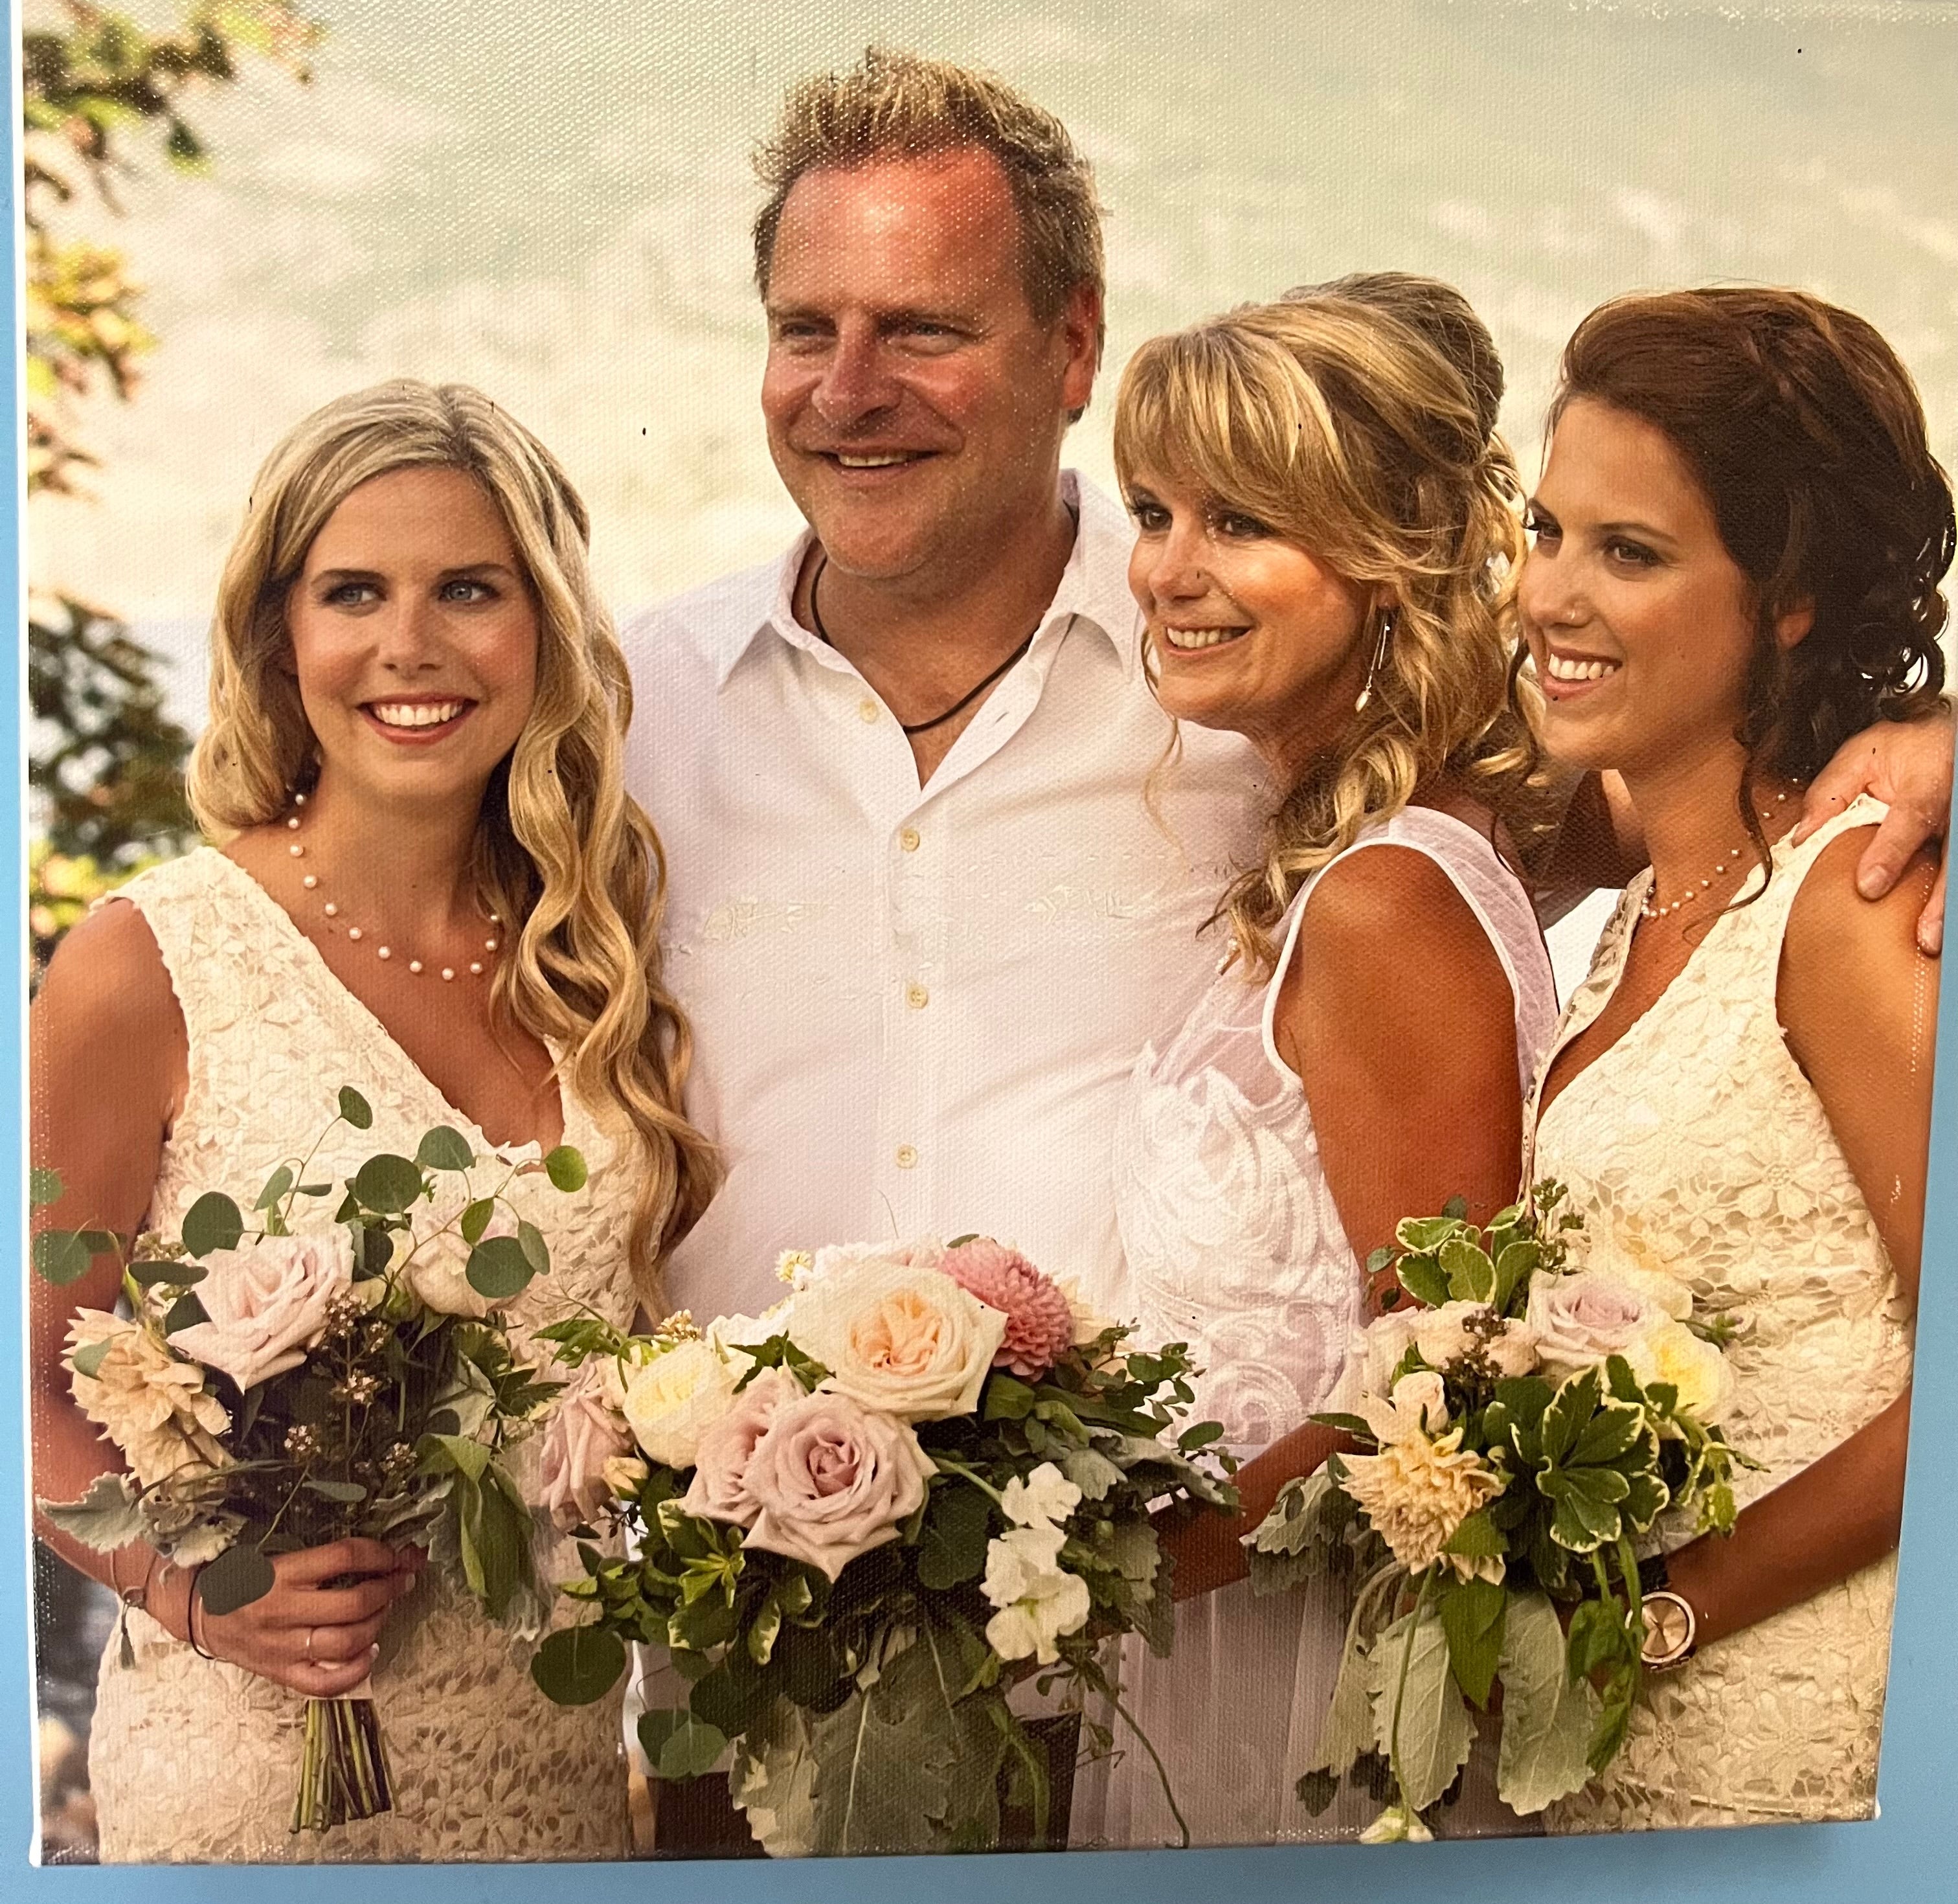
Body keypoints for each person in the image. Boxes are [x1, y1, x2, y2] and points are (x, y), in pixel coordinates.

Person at [619, 45, 1953, 1847]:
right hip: (775, 1684)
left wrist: (1925, 724)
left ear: (1067, 346)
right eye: (806, 325)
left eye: (924, 329)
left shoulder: (1324, 787)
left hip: (1202, 1680)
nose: (1173, 564)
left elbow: (1437, 1350)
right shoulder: (638, 704)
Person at [29, 381, 715, 1861]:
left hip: (554, 1794)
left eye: (470, 589)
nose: (411, 647)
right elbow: (22, 1383)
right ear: (283, 634)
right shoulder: (147, 963)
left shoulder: (599, 965)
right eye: (355, 593)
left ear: (544, 627)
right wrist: (183, 1583)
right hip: (252, 1801)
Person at [1101, 280, 1556, 1846]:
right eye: (1155, 509)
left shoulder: (1381, 902)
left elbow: (1440, 1387)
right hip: (1233, 1642)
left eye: (1241, 523)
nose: (1169, 568)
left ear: (1387, 562)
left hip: (1308, 1675)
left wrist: (1102, 1570)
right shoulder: (1340, 856)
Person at [1517, 288, 1948, 1830]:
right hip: (1619, 1746)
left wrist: (1670, 1609)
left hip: (1800, 1737)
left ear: (1791, 598)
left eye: (1629, 554)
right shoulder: (1641, 900)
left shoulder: (1854, 900)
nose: (1551, 596)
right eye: (1544, 528)